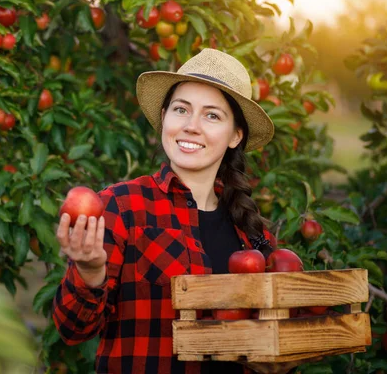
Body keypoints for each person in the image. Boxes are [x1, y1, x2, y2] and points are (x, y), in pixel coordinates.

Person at [53, 48, 279, 374]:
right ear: (164, 117)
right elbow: (71, 330)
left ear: (235, 136)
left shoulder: (254, 234)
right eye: (181, 110)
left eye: (212, 115)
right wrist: (89, 273)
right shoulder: (121, 207)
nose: (191, 126)